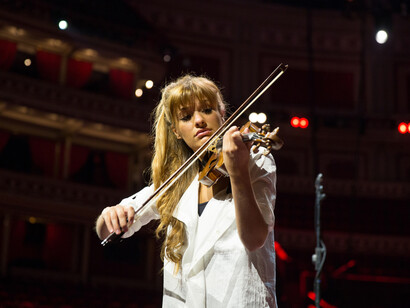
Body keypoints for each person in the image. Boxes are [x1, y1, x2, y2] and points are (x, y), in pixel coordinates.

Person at [95, 74, 278, 307]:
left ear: (222, 115)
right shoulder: (177, 181)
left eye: (207, 110)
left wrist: (238, 171)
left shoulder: (256, 161)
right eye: (186, 116)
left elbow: (254, 239)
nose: (199, 121)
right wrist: (109, 215)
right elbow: (108, 228)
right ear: (176, 132)